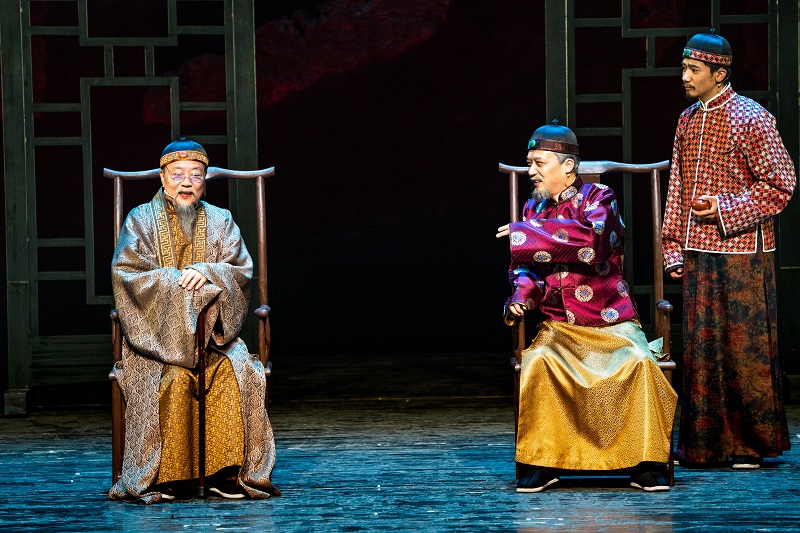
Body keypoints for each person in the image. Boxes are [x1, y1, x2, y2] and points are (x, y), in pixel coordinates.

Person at [496, 121, 678, 492]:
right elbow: (526, 269)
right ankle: (543, 462)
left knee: (639, 364)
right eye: (529, 163)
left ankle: (645, 462)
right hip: (561, 328)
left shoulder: (600, 198)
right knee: (539, 362)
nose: (531, 171)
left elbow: (593, 243)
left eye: (539, 163)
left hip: (612, 324)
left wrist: (525, 234)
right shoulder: (534, 208)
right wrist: (521, 296)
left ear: (567, 166)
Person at [109, 138, 280, 503]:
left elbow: (240, 270)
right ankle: (168, 476)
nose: (186, 183)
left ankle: (226, 473)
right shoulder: (140, 220)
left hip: (214, 340)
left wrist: (208, 272)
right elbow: (127, 274)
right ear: (162, 177)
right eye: (177, 174)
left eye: (195, 175)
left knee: (235, 373)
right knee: (174, 379)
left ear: (204, 180)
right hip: (155, 342)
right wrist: (178, 284)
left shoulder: (221, 220)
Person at [662, 30, 794, 468]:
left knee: (743, 351)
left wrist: (724, 208)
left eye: (693, 69)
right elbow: (678, 187)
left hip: (743, 255)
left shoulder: (752, 118)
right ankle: (706, 446)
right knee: (702, 352)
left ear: (719, 74)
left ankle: (749, 445)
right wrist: (672, 247)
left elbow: (781, 185)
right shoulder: (687, 120)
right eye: (684, 68)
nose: (685, 77)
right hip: (698, 252)